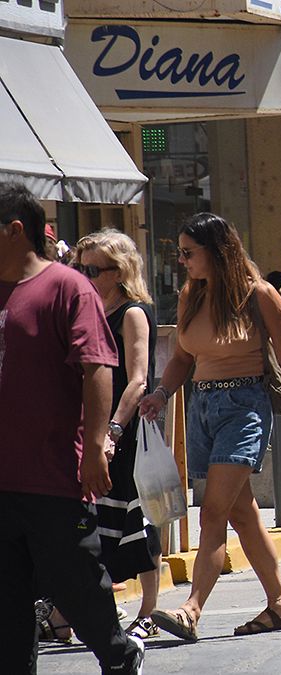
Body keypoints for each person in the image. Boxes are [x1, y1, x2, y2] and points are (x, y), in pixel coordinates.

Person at [139, 212, 281, 642]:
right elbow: (183, 355)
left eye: (188, 253)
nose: (182, 261)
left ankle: (191, 609)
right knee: (242, 512)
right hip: (202, 406)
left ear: (217, 252)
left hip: (245, 406)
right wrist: (162, 393)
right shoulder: (191, 296)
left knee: (213, 511)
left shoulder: (261, 295)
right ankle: (279, 605)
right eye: (179, 253)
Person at [0, 183, 144, 673]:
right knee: (8, 611)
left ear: (15, 230)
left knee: (77, 589)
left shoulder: (65, 287)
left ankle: (121, 658)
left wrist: (96, 448)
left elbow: (97, 367)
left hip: (53, 476)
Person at [73, 230, 163, 641]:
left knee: (134, 519)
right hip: (93, 427)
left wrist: (113, 430)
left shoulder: (131, 313)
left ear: (119, 270)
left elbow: (138, 379)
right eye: (80, 267)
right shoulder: (88, 309)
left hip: (122, 429)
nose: (84, 275)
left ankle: (149, 609)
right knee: (99, 520)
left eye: (93, 269)